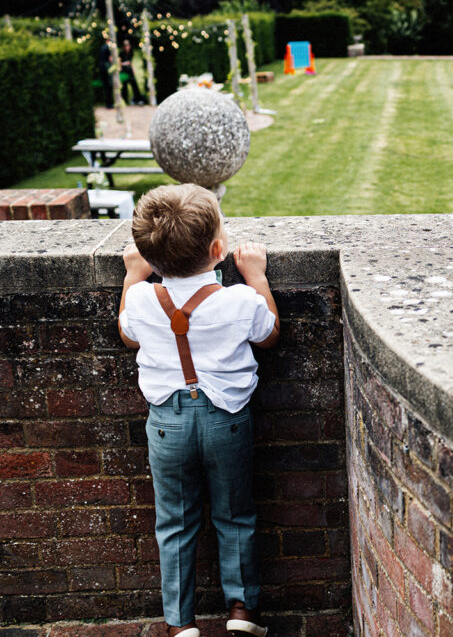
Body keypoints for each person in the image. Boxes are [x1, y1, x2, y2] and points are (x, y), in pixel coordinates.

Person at [119, 184, 280, 637]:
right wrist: (258, 278)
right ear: (218, 249)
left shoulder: (141, 298)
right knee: (235, 515)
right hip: (226, 419)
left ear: (150, 254)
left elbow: (128, 335)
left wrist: (133, 277)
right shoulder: (239, 300)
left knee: (174, 523)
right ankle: (242, 611)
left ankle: (180, 623)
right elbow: (268, 334)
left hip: (166, 424)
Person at [119, 38, 145, 105]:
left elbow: (130, 62)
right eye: (126, 46)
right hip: (124, 71)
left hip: (129, 70)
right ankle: (125, 100)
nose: (127, 47)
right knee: (124, 86)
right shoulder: (121, 53)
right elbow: (119, 63)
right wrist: (125, 63)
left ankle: (137, 99)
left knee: (134, 84)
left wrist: (132, 68)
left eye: (128, 45)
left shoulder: (131, 52)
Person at [98, 37, 114, 109]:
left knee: (106, 87)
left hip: (102, 68)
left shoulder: (102, 48)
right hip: (106, 68)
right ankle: (109, 104)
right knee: (109, 87)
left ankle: (108, 103)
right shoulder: (108, 48)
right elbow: (110, 59)